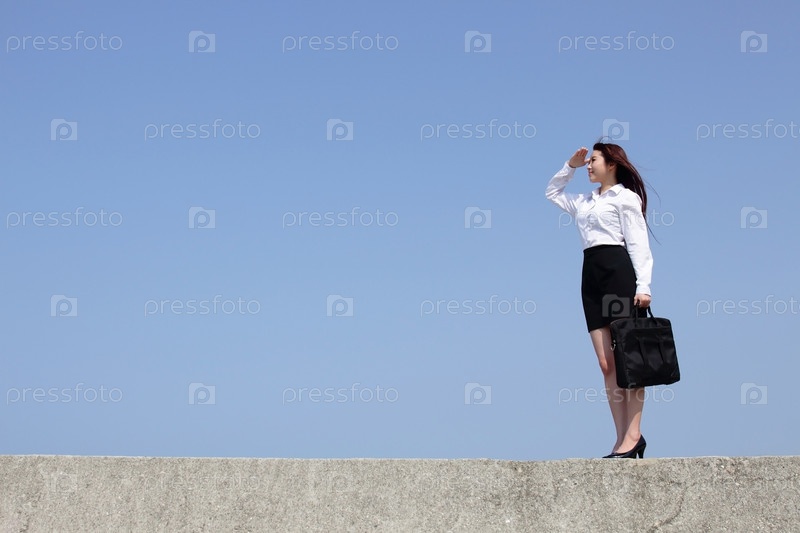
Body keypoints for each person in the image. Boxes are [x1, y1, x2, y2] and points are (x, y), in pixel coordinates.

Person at [545, 142, 653, 459]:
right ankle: (621, 438)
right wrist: (570, 165)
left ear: (612, 164)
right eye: (588, 161)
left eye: (594, 160)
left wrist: (643, 285)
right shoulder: (584, 201)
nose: (589, 165)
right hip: (591, 278)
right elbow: (552, 192)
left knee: (628, 360)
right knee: (607, 365)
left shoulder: (626, 198)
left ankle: (633, 435)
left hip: (617, 276)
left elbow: (639, 243)